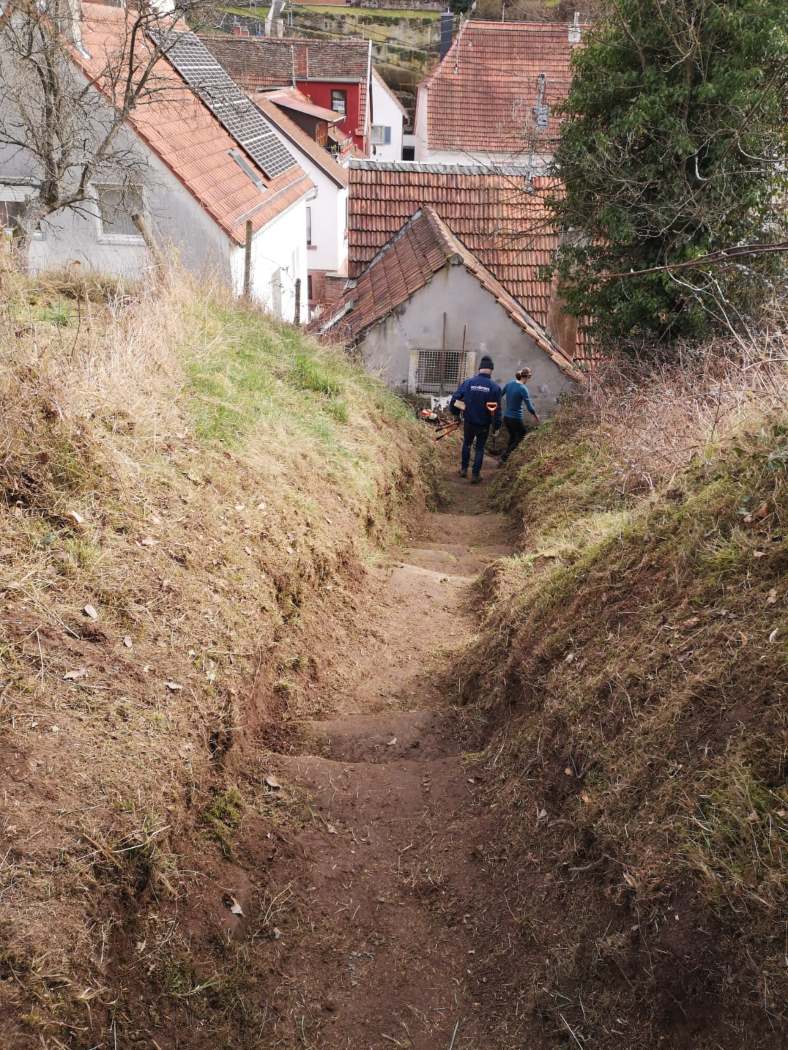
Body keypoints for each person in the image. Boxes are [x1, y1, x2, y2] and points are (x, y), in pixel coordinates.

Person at [449, 355, 501, 483]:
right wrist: (496, 426)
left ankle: (463, 470)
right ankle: (475, 475)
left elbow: (455, 398)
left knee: (467, 444)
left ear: (479, 369)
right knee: (479, 448)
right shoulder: (494, 387)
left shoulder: (468, 383)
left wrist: (456, 413)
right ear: (491, 370)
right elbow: (497, 410)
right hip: (483, 424)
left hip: (469, 422)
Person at [498, 367, 540, 466]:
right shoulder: (523, 389)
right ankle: (505, 456)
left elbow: (500, 395)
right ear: (527, 377)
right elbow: (529, 406)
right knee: (522, 435)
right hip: (516, 418)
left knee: (513, 436)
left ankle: (505, 458)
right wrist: (535, 415)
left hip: (506, 417)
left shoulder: (509, 384)